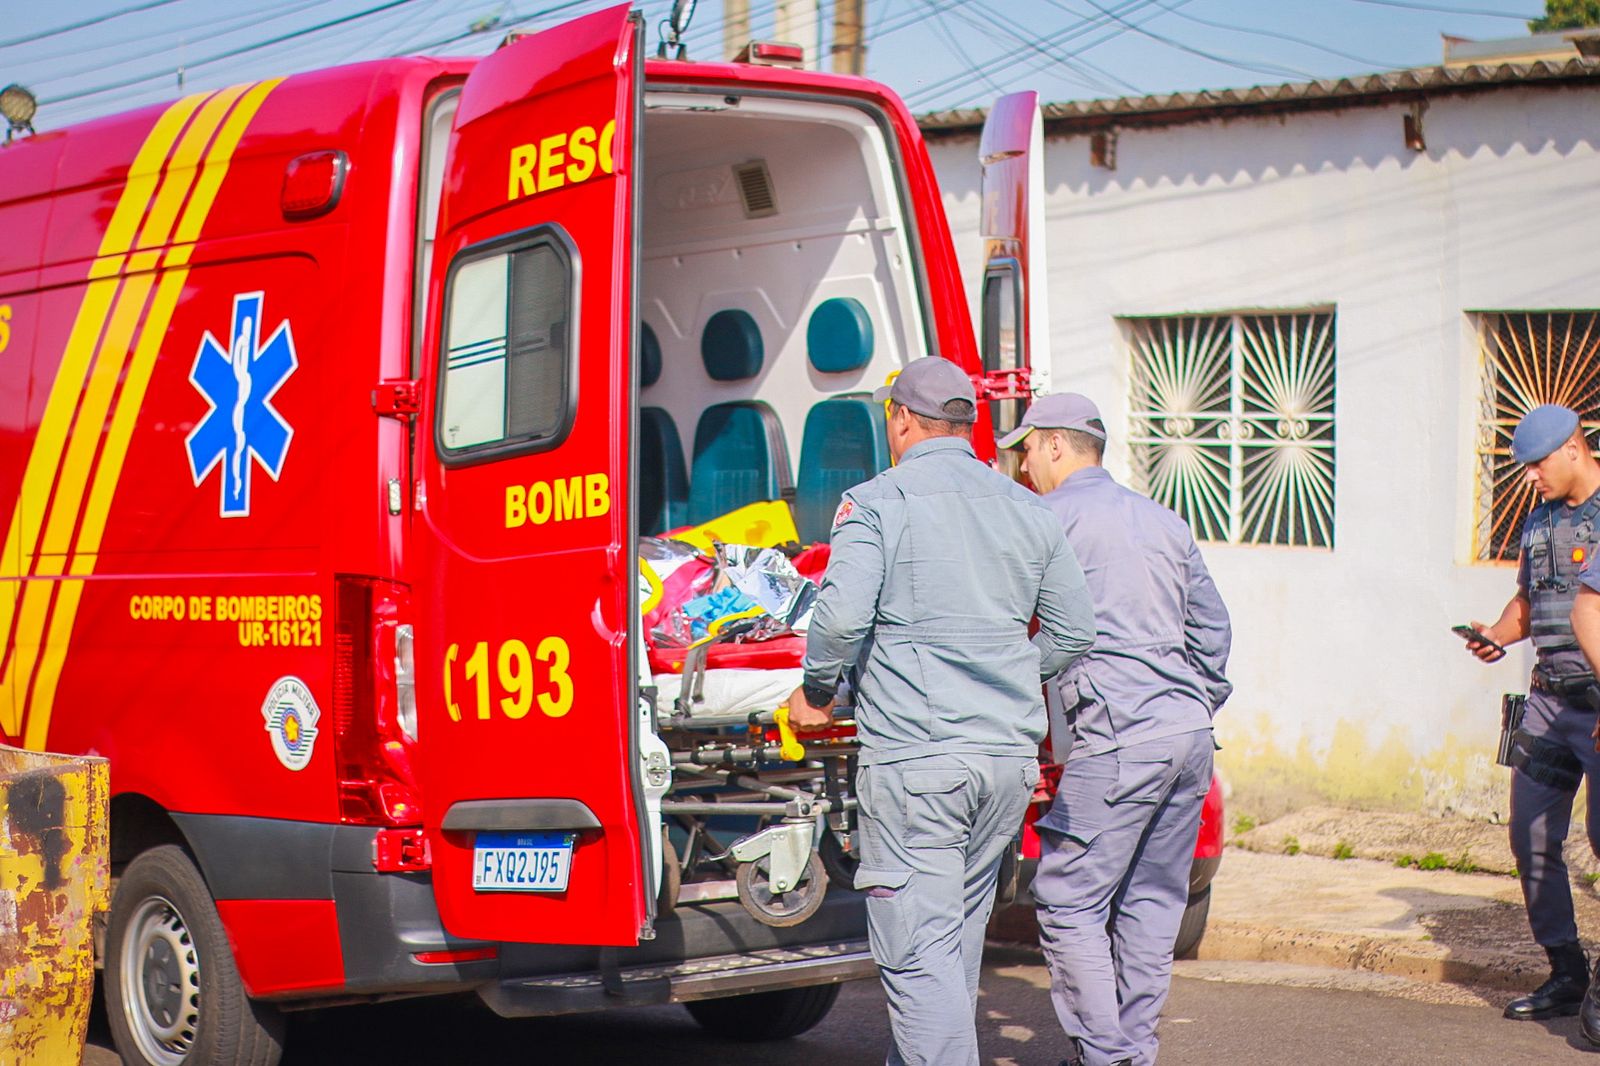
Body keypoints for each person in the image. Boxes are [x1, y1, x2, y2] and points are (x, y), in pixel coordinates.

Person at [785, 356, 1097, 1066]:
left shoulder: (876, 502)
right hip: (1005, 767)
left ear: (899, 421)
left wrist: (817, 692)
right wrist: (1014, 672)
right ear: (966, 424)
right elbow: (1076, 630)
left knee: (919, 961)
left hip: (920, 767)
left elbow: (837, 622)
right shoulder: (1026, 506)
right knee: (949, 952)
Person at [999, 393, 1232, 1066]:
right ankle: (1132, 1052)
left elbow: (1007, 622)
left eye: (1027, 450)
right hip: (1186, 735)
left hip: (1117, 736)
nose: (1023, 465)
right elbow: (1213, 628)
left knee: (1067, 897)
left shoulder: (1046, 520)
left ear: (1054, 446)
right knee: (1152, 904)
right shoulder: (1161, 519)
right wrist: (1193, 698)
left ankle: (1106, 1057)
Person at [1467, 403, 1600, 1034]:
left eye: (1538, 463)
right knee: (1532, 837)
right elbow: (1529, 599)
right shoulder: (1540, 519)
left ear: (1574, 448)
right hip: (1548, 702)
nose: (1531, 478)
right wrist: (1496, 634)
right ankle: (1567, 970)